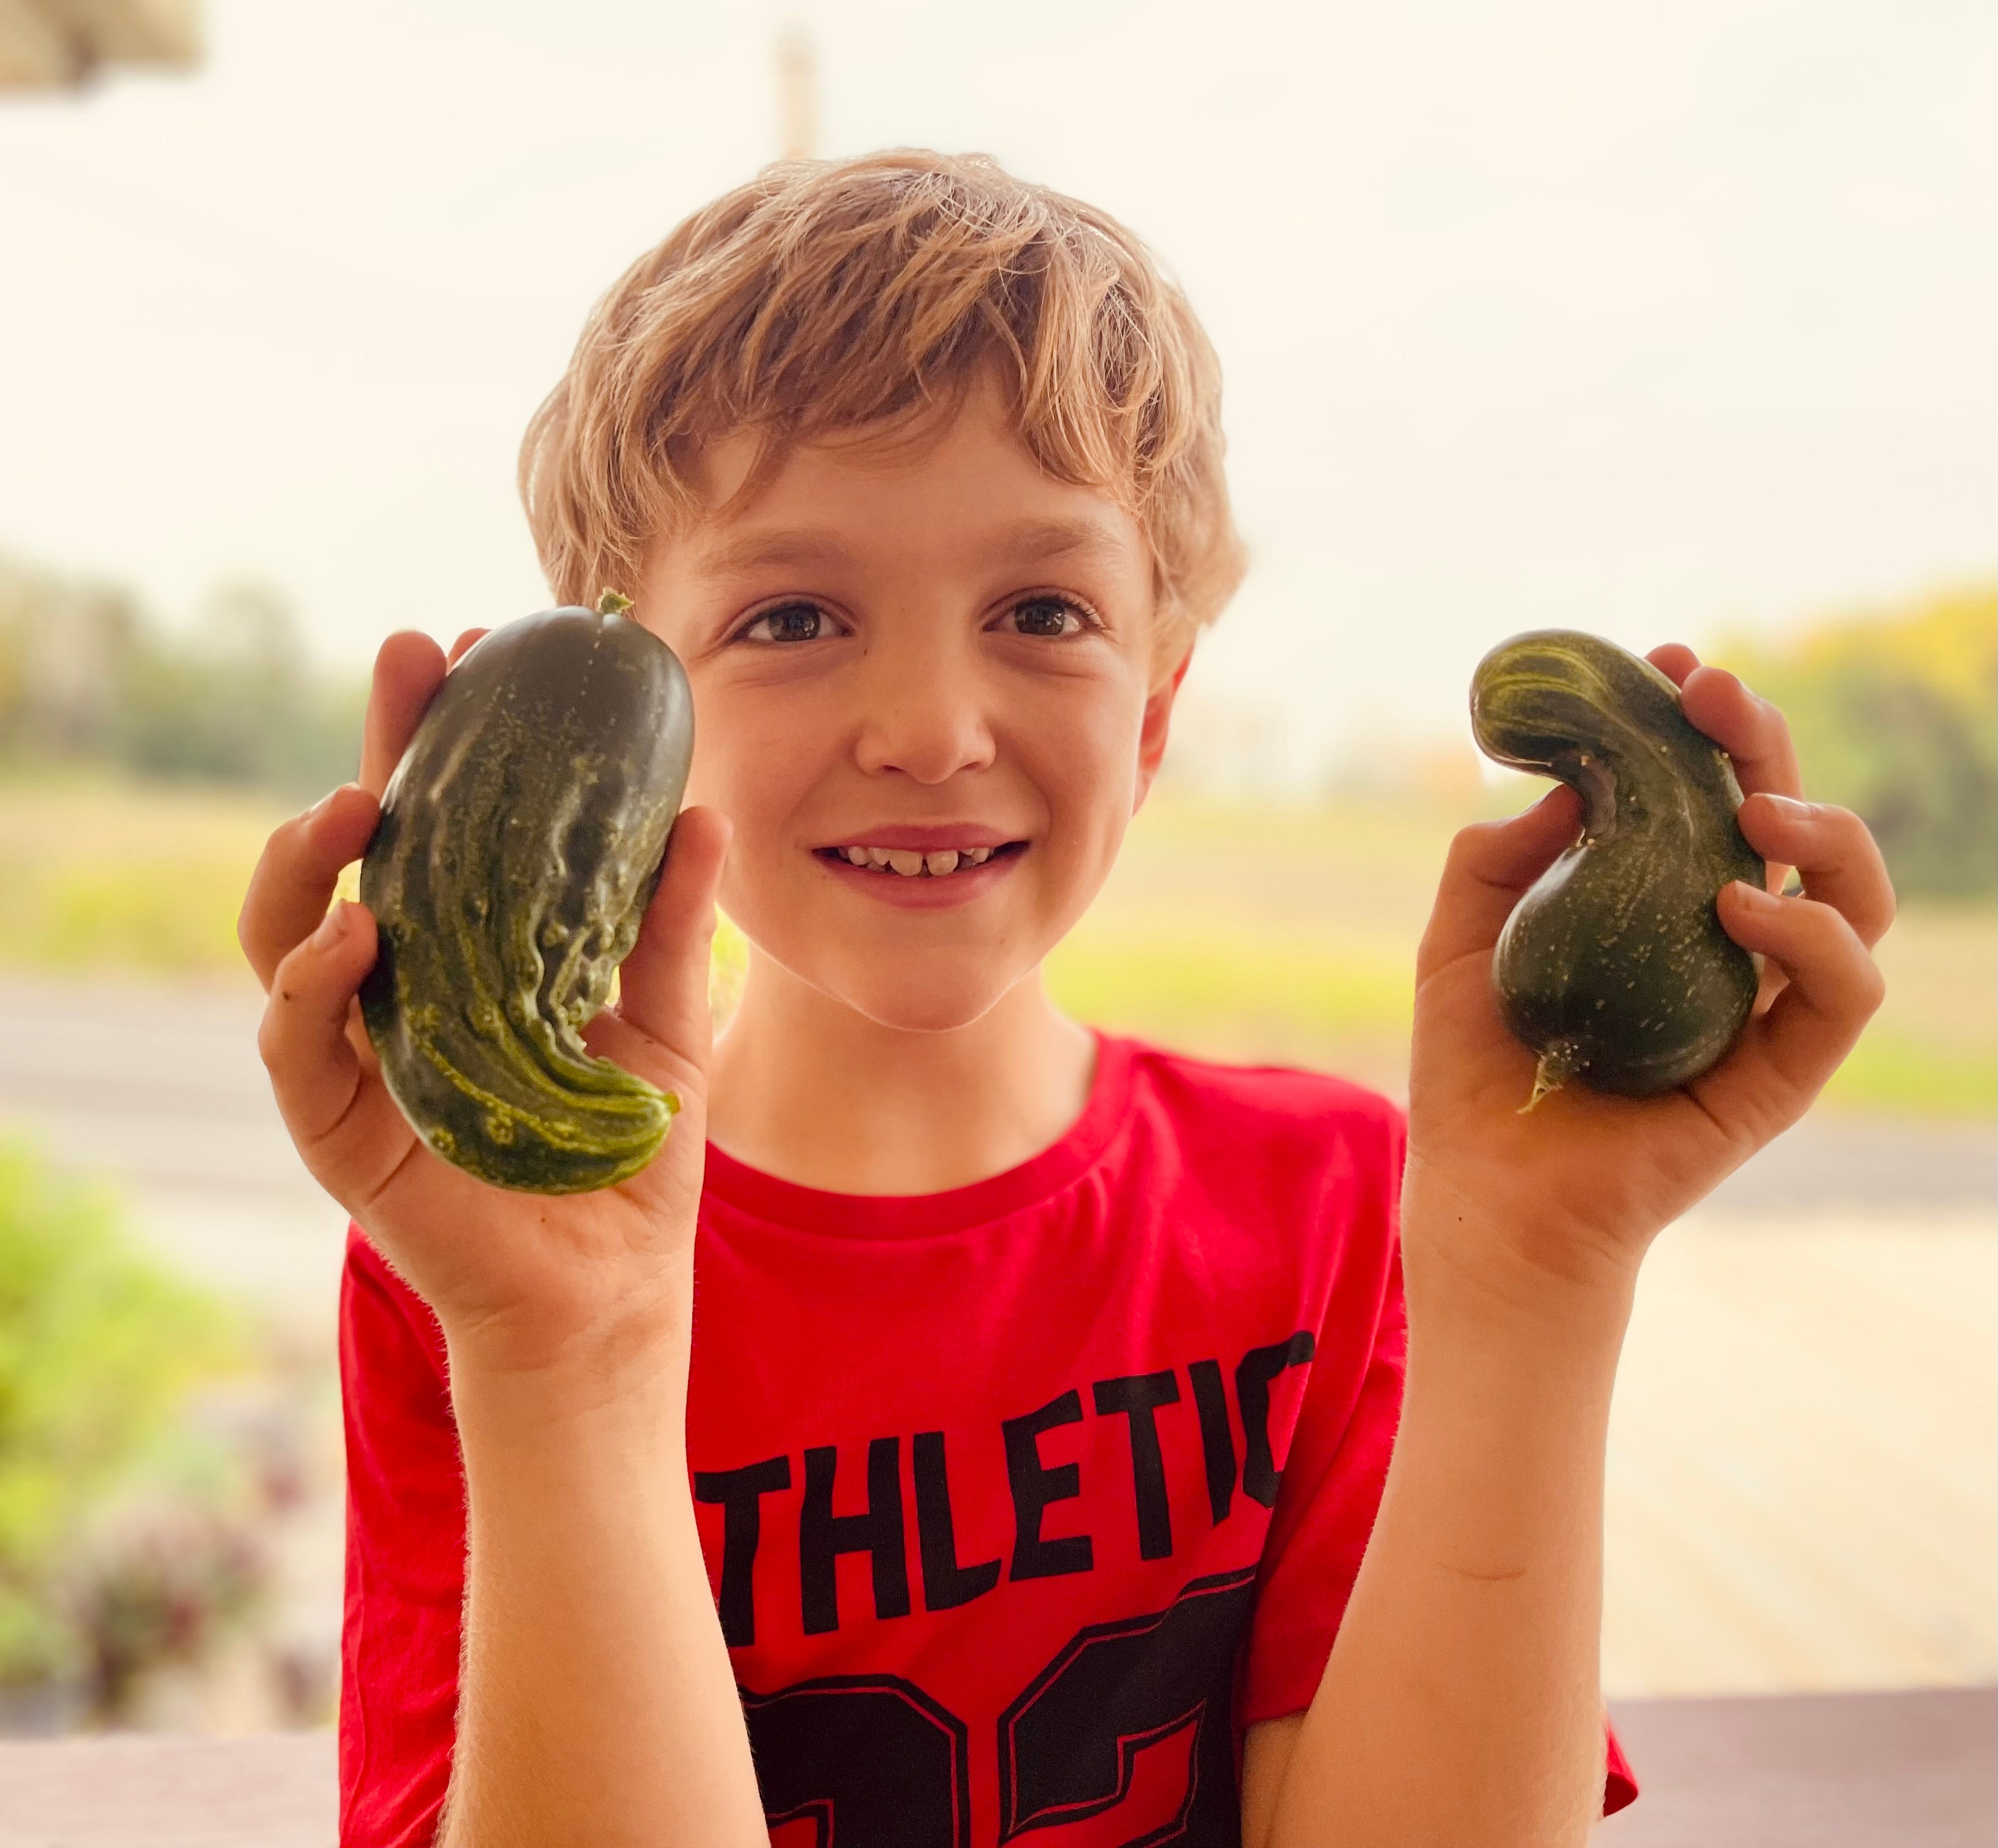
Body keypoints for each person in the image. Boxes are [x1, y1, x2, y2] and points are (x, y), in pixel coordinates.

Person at [237, 149, 1893, 1848]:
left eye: (1041, 610)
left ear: (1155, 710)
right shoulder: (489, 1263)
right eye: (793, 616)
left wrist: (1540, 1286)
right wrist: (564, 1362)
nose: (933, 728)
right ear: (623, 720)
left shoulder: (1334, 1210)